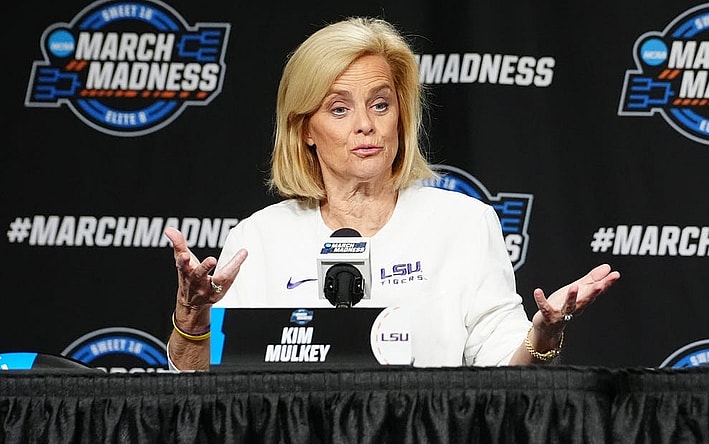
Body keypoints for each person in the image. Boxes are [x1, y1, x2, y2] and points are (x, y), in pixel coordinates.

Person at [164, 16, 620, 371]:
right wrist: (192, 321)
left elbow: (504, 367)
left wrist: (541, 337)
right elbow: (204, 393)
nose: (366, 123)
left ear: (400, 116)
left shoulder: (464, 224)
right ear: (305, 129)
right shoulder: (258, 239)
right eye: (340, 109)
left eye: (380, 104)